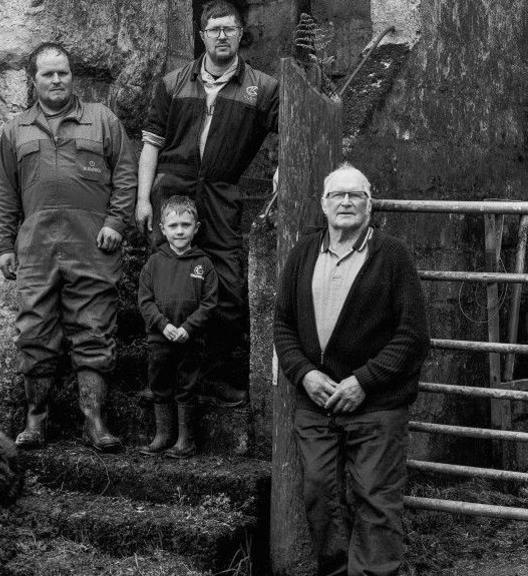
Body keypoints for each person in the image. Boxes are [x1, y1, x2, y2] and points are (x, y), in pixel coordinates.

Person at [273, 163, 429, 576]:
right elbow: (283, 324)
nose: (346, 201)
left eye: (356, 195)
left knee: (376, 499)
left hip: (377, 404)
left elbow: (412, 337)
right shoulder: (303, 252)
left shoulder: (392, 256)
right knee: (319, 494)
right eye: (338, 195)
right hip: (317, 402)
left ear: (369, 205)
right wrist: (304, 373)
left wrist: (364, 380)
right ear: (323, 205)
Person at [0, 42, 137, 452]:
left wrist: (115, 222)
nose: (58, 80)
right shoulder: (15, 130)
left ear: (72, 76)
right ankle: (35, 420)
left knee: (93, 329)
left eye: (64, 73)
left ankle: (94, 421)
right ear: (33, 80)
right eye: (48, 74)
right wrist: (5, 245)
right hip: (37, 250)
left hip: (92, 245)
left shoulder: (103, 120)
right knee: (34, 330)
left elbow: (125, 175)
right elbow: (6, 193)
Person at [136, 0, 279, 406]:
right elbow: (150, 143)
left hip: (220, 193)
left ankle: (212, 377)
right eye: (214, 29)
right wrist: (143, 199)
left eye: (229, 29)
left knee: (229, 288)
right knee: (167, 287)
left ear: (240, 35)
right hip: (173, 192)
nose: (221, 36)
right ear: (201, 35)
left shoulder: (262, 88)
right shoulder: (172, 84)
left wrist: (281, 169)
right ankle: (163, 381)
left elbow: (289, 134)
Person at [137, 196, 219, 458]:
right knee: (160, 381)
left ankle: (186, 440)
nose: (180, 230)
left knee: (187, 384)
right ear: (162, 228)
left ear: (196, 227)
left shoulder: (203, 264)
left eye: (186, 224)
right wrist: (163, 325)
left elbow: (209, 303)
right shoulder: (154, 263)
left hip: (190, 339)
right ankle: (163, 435)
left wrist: (188, 328)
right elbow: (145, 301)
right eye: (174, 226)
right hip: (160, 338)